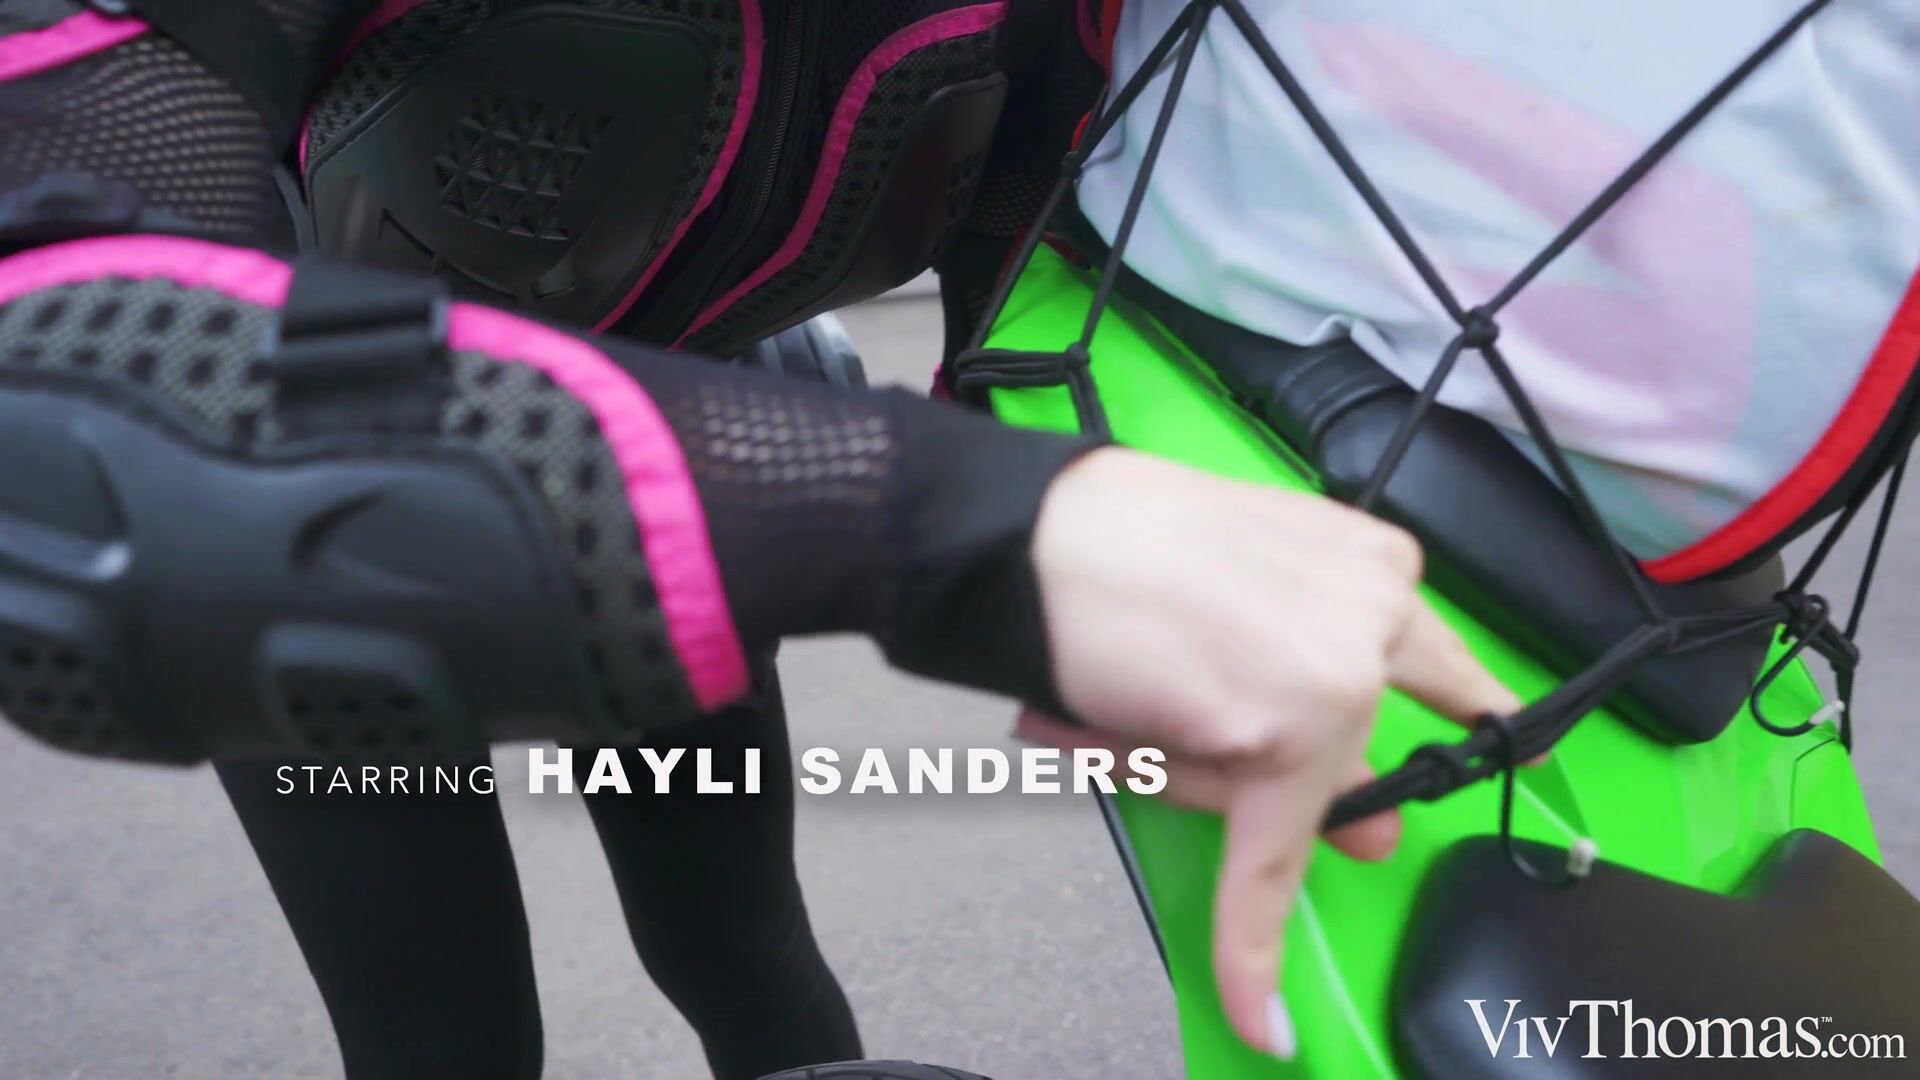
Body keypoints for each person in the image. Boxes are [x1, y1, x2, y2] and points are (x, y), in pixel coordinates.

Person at [0, 0, 1516, 1070]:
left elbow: (1047, 269)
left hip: (713, 426)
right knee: (447, 1043)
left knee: (742, 957)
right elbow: (75, 385)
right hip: (338, 497)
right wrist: (941, 519)